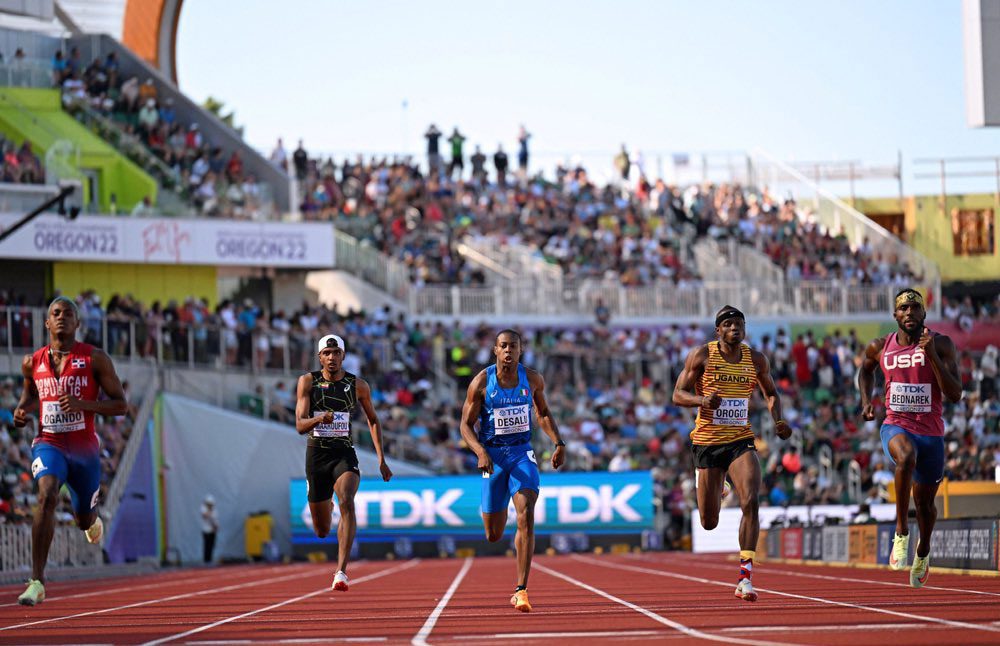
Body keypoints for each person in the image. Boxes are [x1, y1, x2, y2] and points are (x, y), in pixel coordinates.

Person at [672, 305, 792, 603]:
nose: (734, 328)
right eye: (728, 324)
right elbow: (677, 395)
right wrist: (702, 400)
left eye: (739, 323)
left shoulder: (756, 359)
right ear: (718, 331)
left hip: (741, 440)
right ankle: (719, 484)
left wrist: (778, 419)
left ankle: (745, 577)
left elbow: (772, 392)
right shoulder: (702, 355)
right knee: (709, 521)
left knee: (751, 501)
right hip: (708, 443)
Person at [15, 297, 129, 606]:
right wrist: (21, 411)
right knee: (47, 494)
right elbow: (29, 398)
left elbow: (121, 405)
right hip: (49, 443)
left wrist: (84, 405)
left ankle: (92, 521)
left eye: (68, 313)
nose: (62, 317)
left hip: (84, 451)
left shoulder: (95, 359)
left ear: (77, 324)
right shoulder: (32, 362)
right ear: (47, 323)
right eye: (56, 313)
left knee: (81, 519)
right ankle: (37, 581)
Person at [858, 288, 962, 588]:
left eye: (915, 309)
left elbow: (955, 394)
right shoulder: (880, 346)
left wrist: (931, 356)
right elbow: (865, 372)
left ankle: (923, 550)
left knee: (927, 505)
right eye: (903, 309)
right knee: (904, 458)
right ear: (895, 315)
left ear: (923, 314)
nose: (909, 314)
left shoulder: (941, 344)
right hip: (896, 424)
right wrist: (866, 400)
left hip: (931, 433)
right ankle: (901, 531)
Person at [459, 329, 566, 613]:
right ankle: (499, 505)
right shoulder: (482, 382)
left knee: (527, 512)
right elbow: (465, 425)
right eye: (503, 346)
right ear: (495, 350)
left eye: (513, 346)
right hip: (491, 459)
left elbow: (542, 413)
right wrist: (480, 451)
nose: (508, 351)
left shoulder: (532, 379)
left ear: (521, 350)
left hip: (521, 453)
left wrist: (558, 441)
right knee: (493, 534)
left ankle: (521, 589)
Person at [295, 334, 392, 592]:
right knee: (322, 530)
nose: (332, 357)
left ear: (343, 356)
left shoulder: (358, 385)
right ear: (320, 358)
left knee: (347, 501)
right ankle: (318, 495)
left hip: (343, 454)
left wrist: (381, 458)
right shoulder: (308, 382)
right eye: (327, 354)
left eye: (336, 353)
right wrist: (318, 420)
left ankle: (341, 571)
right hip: (316, 456)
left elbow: (373, 420)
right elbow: (299, 425)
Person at [201, 494, 219, 564]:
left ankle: (210, 559)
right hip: (206, 530)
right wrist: (210, 511)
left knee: (212, 545)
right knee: (207, 546)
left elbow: (215, 519)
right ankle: (206, 560)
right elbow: (205, 516)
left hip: (213, 530)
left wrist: (216, 526)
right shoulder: (203, 508)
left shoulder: (214, 510)